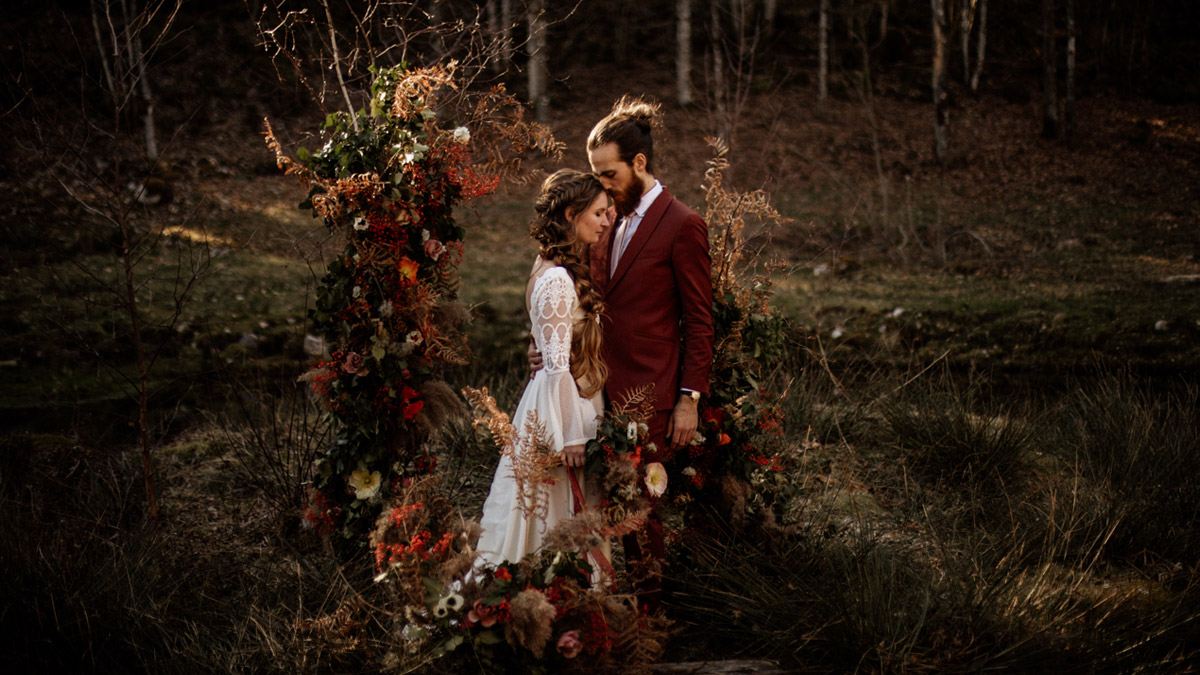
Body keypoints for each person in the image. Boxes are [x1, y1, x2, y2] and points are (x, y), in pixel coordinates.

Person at [587, 96, 715, 611]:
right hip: (594, 390)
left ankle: (650, 619)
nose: (602, 184)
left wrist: (689, 399)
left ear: (640, 164)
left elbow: (700, 319)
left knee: (642, 512)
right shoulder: (604, 218)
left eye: (610, 173)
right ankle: (605, 611)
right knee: (599, 507)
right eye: (596, 173)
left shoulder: (683, 224)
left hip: (651, 395)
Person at [475, 169, 613, 571]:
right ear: (571, 214)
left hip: (561, 400)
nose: (606, 222)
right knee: (552, 514)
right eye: (599, 213)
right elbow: (556, 369)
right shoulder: (556, 278)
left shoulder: (552, 266)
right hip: (559, 412)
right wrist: (570, 436)